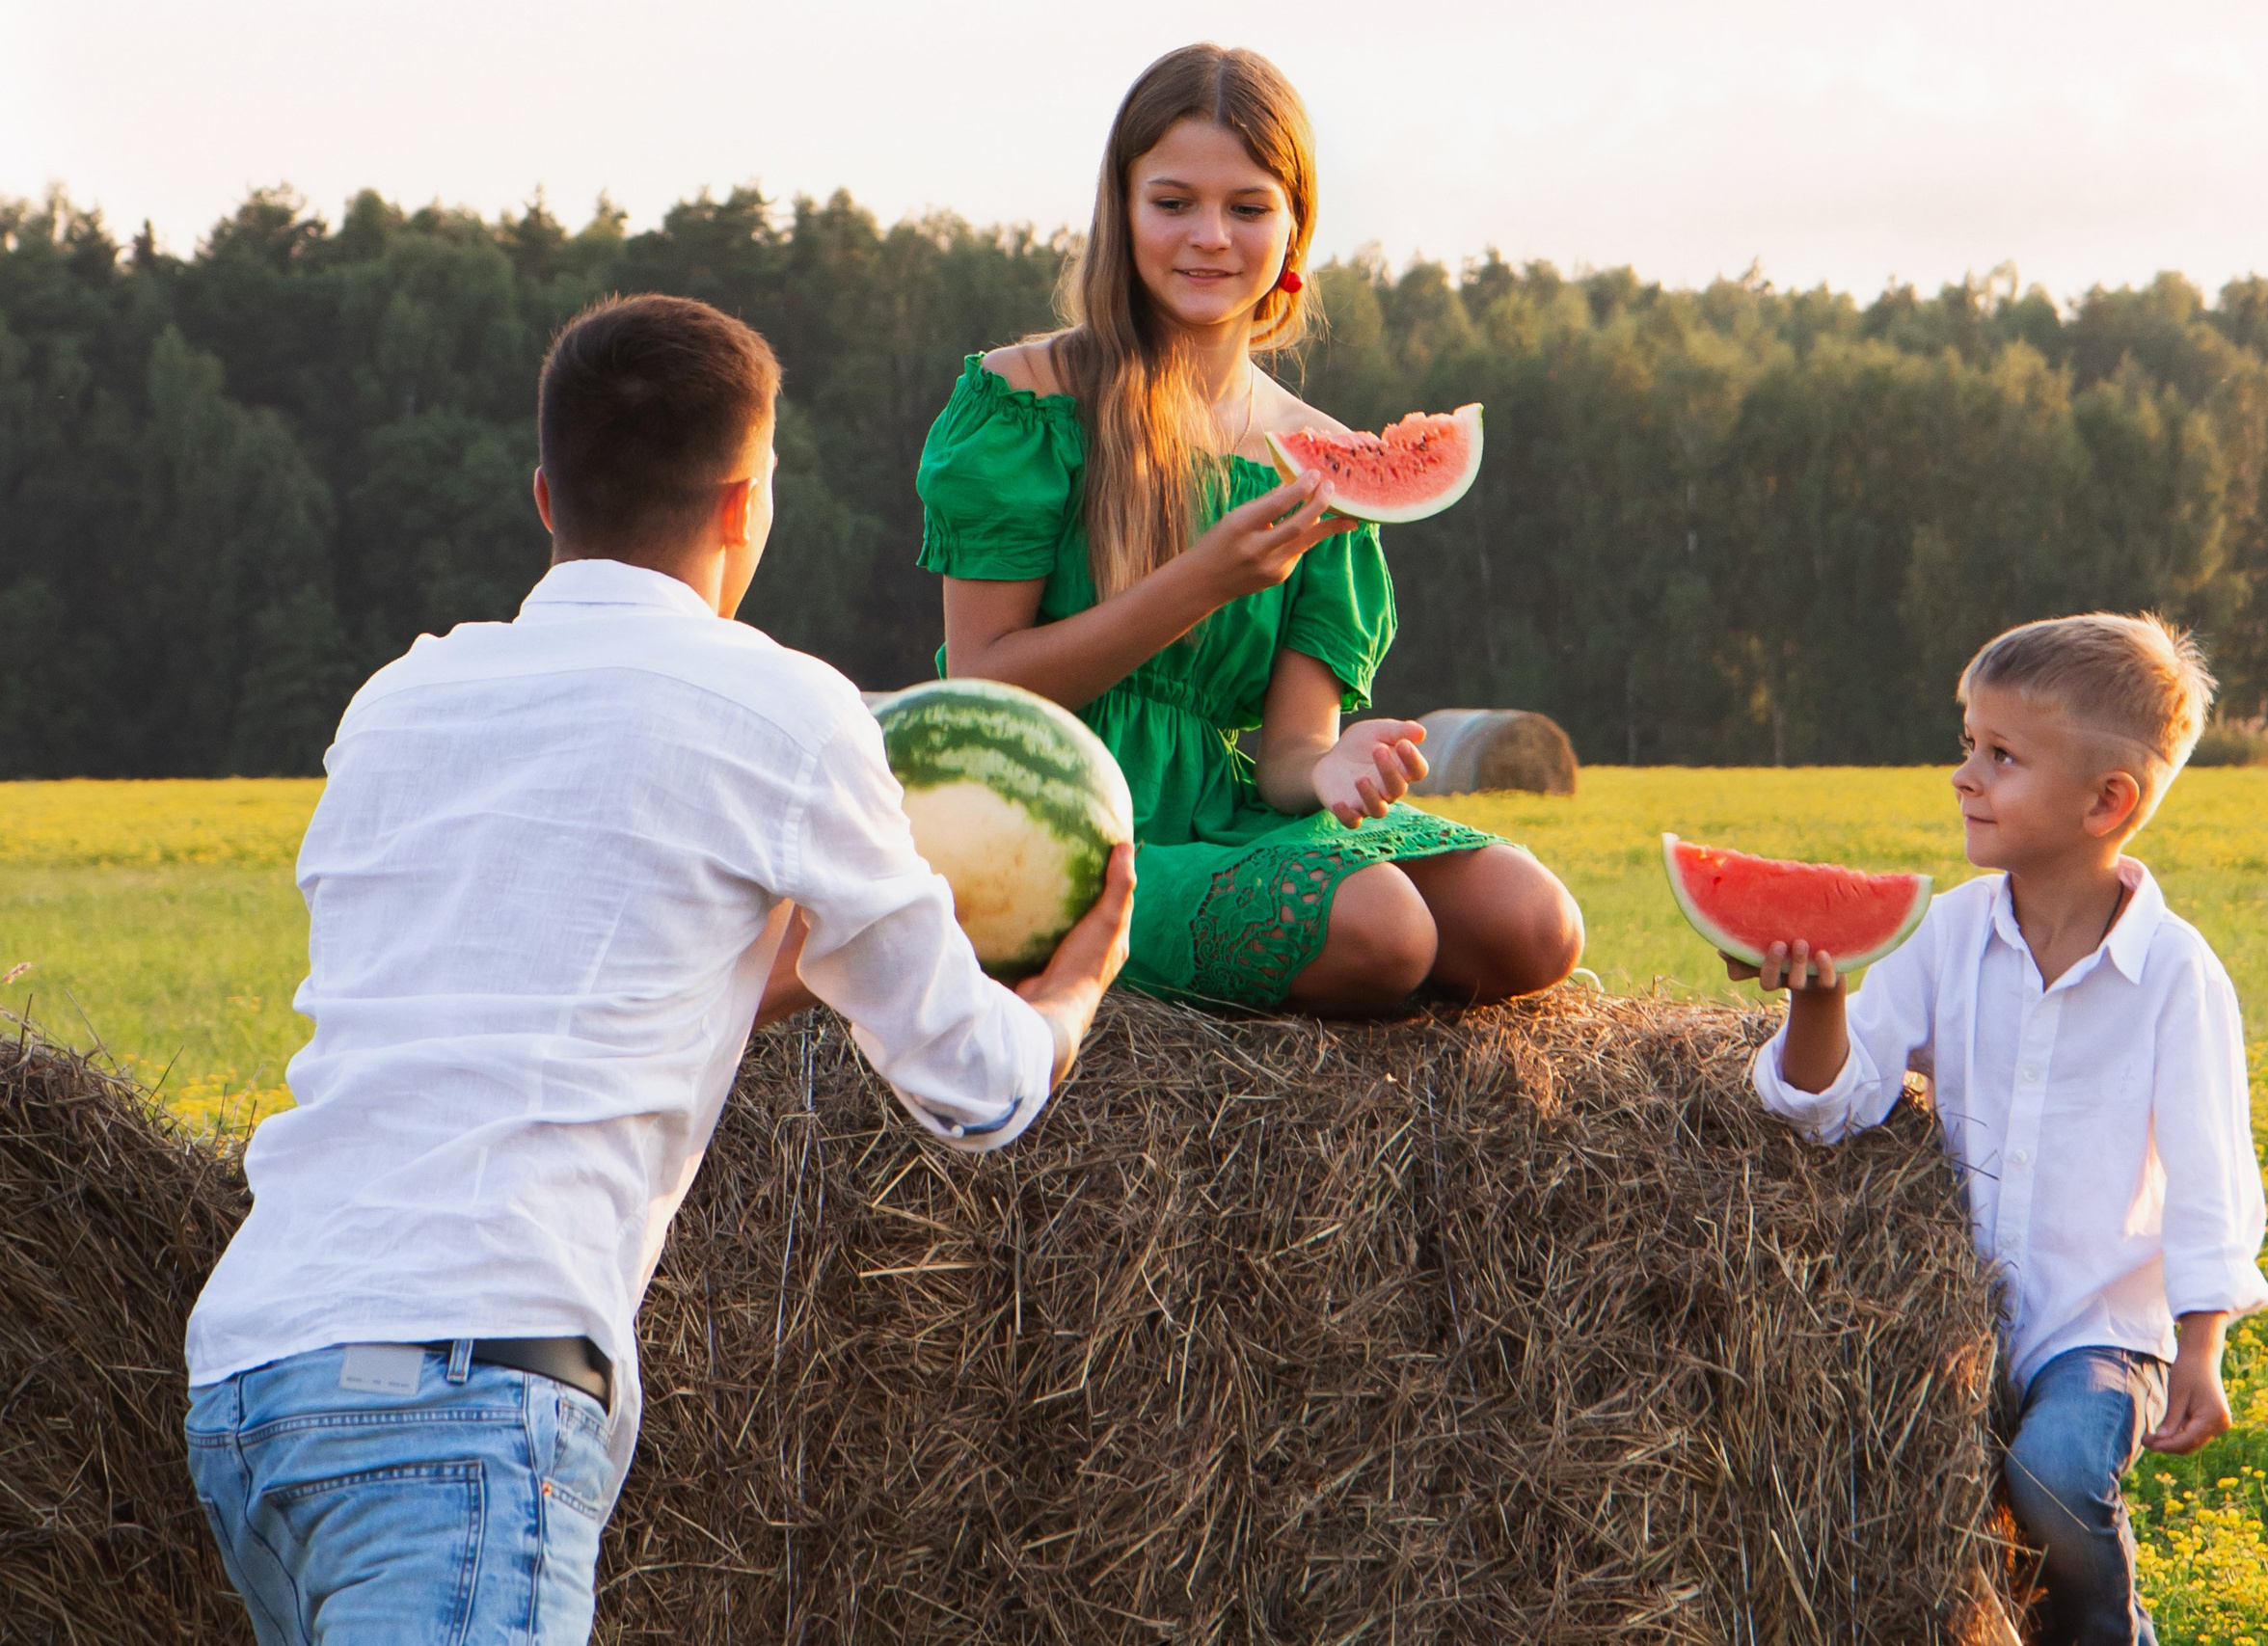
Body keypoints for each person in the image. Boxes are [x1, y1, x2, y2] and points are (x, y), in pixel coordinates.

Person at [180, 293, 1134, 1645]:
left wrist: (763, 972)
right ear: (749, 501)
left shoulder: (401, 698)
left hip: (257, 1378)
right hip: (471, 1384)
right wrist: (1072, 994)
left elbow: (513, 976)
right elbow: (972, 1088)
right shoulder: (781, 705)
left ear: (542, 493)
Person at [918, 42, 1583, 1016]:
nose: (1210, 238)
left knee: (1534, 925)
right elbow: (983, 686)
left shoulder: (1319, 456)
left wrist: (1332, 763)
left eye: (1248, 207)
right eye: (1173, 201)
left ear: (1293, 227)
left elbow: (1284, 759)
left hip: (1225, 814)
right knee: (1383, 932)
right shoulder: (1023, 403)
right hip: (1046, 814)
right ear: (1122, 209)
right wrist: (1201, 581)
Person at [1722, 613, 2268, 1646]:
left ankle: (2115, 1637)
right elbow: (1834, 1105)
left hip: (2099, 1330)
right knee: (1882, 1490)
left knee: (2055, 1476)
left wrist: (2202, 1344)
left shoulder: (2176, 974)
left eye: (2001, 756)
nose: (1963, 776)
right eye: (1966, 745)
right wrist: (1817, 1001)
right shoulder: (1948, 936)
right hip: (1959, 1319)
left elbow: (2211, 1172)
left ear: (2107, 801)